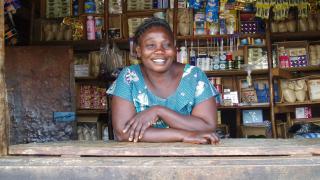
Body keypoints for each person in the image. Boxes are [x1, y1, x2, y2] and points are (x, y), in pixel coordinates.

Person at [107, 17, 220, 144]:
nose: (160, 51)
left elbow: (208, 127)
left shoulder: (195, 76)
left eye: (167, 45)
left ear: (175, 49)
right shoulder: (129, 77)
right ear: (138, 51)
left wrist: (159, 111)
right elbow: (123, 132)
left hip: (188, 158)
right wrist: (183, 135)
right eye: (151, 45)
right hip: (139, 160)